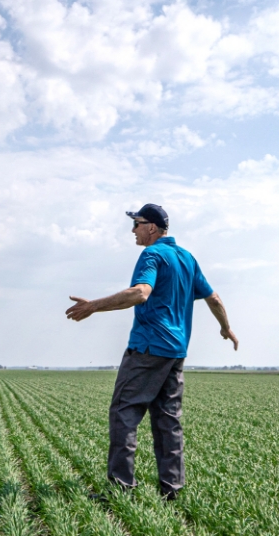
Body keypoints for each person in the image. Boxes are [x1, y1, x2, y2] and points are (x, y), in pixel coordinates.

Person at [66, 203, 238, 500]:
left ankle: (121, 488)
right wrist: (226, 328)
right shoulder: (186, 258)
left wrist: (93, 306)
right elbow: (214, 298)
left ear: (152, 228)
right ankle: (172, 490)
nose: (133, 230)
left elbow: (140, 292)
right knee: (168, 420)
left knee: (124, 413)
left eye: (136, 224)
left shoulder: (152, 254)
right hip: (176, 351)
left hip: (147, 349)